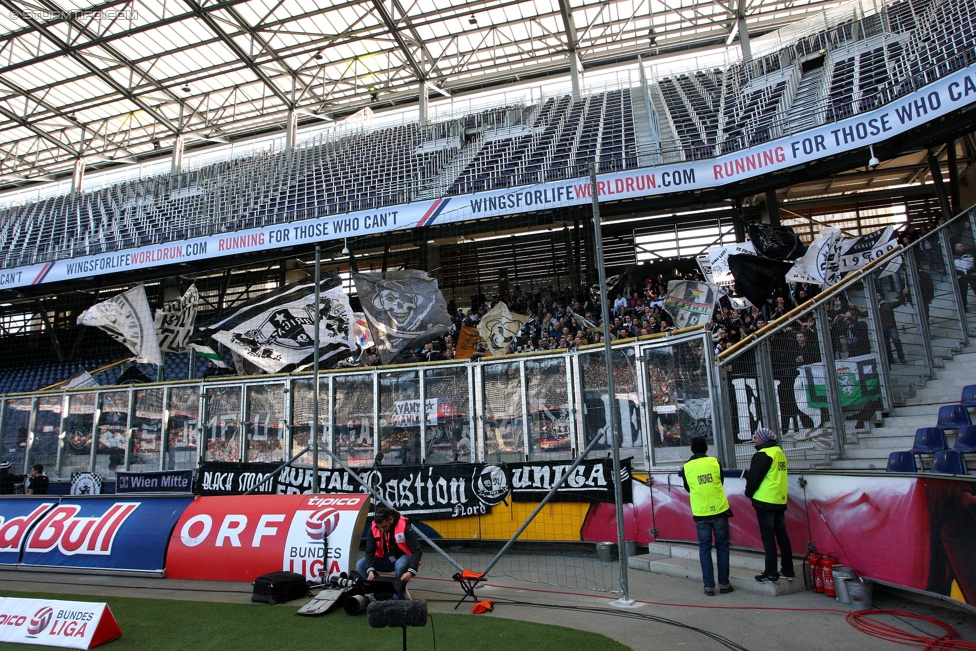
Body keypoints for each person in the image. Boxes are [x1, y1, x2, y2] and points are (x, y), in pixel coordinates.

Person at [681, 436, 734, 596]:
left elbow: (688, 487)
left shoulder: (687, 467)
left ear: (692, 449)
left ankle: (709, 586)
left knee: (705, 548)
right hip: (719, 509)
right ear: (706, 448)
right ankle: (724, 584)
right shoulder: (714, 462)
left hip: (701, 512)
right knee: (723, 548)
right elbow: (720, 481)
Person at [744, 427, 795, 583]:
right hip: (779, 499)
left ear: (763, 439)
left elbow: (754, 478)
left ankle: (771, 572)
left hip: (765, 500)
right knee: (782, 537)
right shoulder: (779, 453)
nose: (755, 440)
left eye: (757, 437)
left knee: (768, 538)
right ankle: (788, 570)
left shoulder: (763, 455)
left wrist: (748, 493)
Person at [356, 505, 422, 598]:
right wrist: (370, 569)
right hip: (384, 559)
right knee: (360, 564)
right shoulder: (373, 528)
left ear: (390, 519)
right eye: (379, 528)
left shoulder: (404, 527)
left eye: (384, 526)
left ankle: (399, 598)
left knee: (400, 566)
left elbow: (416, 551)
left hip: (403, 557)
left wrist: (411, 571)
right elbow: (369, 551)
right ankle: (382, 593)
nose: (382, 530)